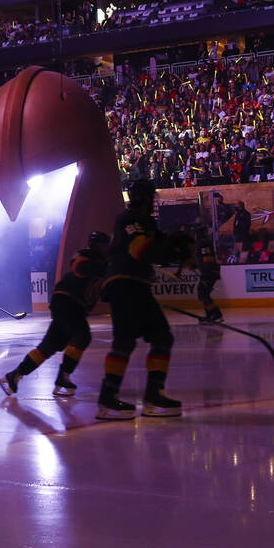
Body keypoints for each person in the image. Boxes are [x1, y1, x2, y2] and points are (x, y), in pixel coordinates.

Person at [96, 180, 181, 420]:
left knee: (132, 340)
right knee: (155, 337)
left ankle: (112, 398)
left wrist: (171, 246)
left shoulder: (142, 221)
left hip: (131, 284)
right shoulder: (132, 218)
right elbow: (140, 249)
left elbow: (154, 246)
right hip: (126, 283)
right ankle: (142, 397)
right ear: (145, 197)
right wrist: (171, 250)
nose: (153, 200)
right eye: (151, 196)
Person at [0, 231, 110, 397]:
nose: (101, 248)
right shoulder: (86, 257)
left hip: (68, 305)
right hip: (68, 303)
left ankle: (15, 375)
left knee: (48, 347)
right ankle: (63, 376)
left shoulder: (103, 265)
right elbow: (78, 264)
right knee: (82, 336)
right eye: (101, 244)